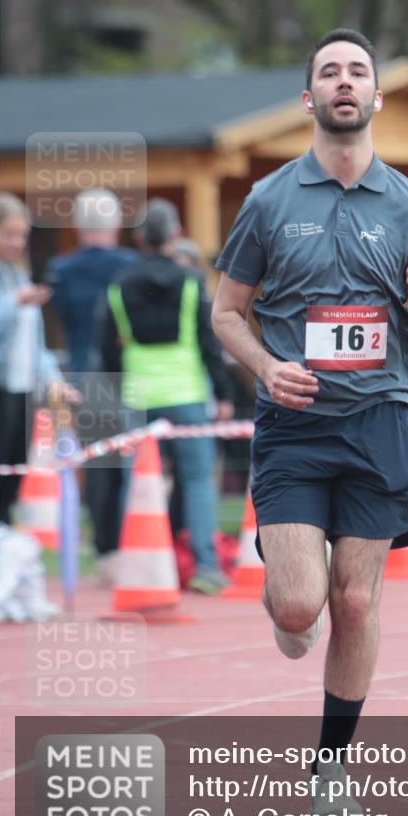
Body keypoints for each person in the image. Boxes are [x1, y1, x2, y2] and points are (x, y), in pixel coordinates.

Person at [211, 29, 408, 816]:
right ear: (308, 99)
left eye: (357, 71)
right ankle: (284, 598)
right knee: (296, 608)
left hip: (379, 422)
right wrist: (264, 365)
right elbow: (225, 312)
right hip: (293, 424)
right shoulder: (270, 200)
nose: (343, 82)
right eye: (328, 72)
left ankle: (329, 769)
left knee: (354, 603)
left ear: (375, 98)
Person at [101, 198, 236, 594]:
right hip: (188, 393)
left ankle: (138, 568)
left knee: (138, 484)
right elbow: (209, 343)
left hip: (138, 395)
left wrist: (116, 388)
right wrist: (224, 392)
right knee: (197, 481)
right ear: (176, 235)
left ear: (139, 237)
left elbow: (107, 348)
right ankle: (206, 567)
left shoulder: (118, 286)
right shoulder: (192, 283)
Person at [45, 189, 139, 585]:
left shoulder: (61, 270)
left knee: (100, 466)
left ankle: (105, 550)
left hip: (84, 374)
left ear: (79, 226)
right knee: (135, 465)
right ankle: (132, 546)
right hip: (129, 374)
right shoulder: (131, 266)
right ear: (115, 225)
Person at [0, 193, 79, 522]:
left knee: (14, 470)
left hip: (21, 391)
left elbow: (37, 345)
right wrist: (15, 301)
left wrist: (56, 382)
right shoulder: (14, 289)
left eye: (22, 235)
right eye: (9, 234)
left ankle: (2, 543)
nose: (17, 243)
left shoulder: (17, 277)